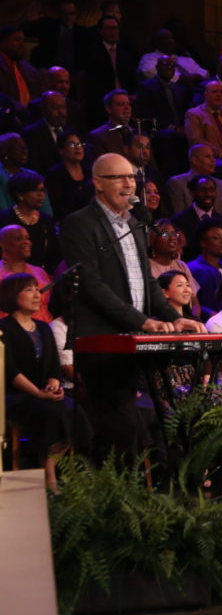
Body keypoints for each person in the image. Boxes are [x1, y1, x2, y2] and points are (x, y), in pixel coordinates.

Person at [61, 153, 203, 461]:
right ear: (98, 183)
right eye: (119, 177)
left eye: (132, 177)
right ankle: (110, 488)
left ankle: (129, 486)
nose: (129, 184)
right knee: (119, 427)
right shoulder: (79, 224)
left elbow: (148, 282)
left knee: (136, 428)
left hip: (133, 340)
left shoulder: (136, 224)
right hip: (100, 339)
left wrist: (174, 317)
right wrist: (143, 321)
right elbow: (93, 285)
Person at [1, 273, 88, 491]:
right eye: (29, 290)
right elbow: (10, 371)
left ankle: (55, 467)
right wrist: (39, 393)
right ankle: (49, 474)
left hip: (44, 394)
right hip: (16, 396)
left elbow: (53, 367)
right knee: (52, 412)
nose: (37, 294)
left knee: (74, 410)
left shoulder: (43, 328)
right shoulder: (4, 328)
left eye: (38, 289)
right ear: (13, 295)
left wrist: (53, 384)